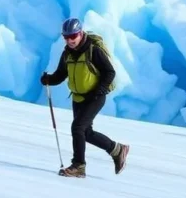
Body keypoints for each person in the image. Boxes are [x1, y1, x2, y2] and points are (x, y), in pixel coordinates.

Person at [40, 18, 129, 178]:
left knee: (77, 128)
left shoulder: (93, 50)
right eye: (66, 37)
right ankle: (117, 150)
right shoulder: (67, 53)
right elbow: (61, 74)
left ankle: (79, 165)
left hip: (95, 97)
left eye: (73, 36)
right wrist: (49, 80)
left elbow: (110, 72)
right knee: (85, 132)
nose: (69, 40)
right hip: (78, 98)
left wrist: (99, 90)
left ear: (80, 33)